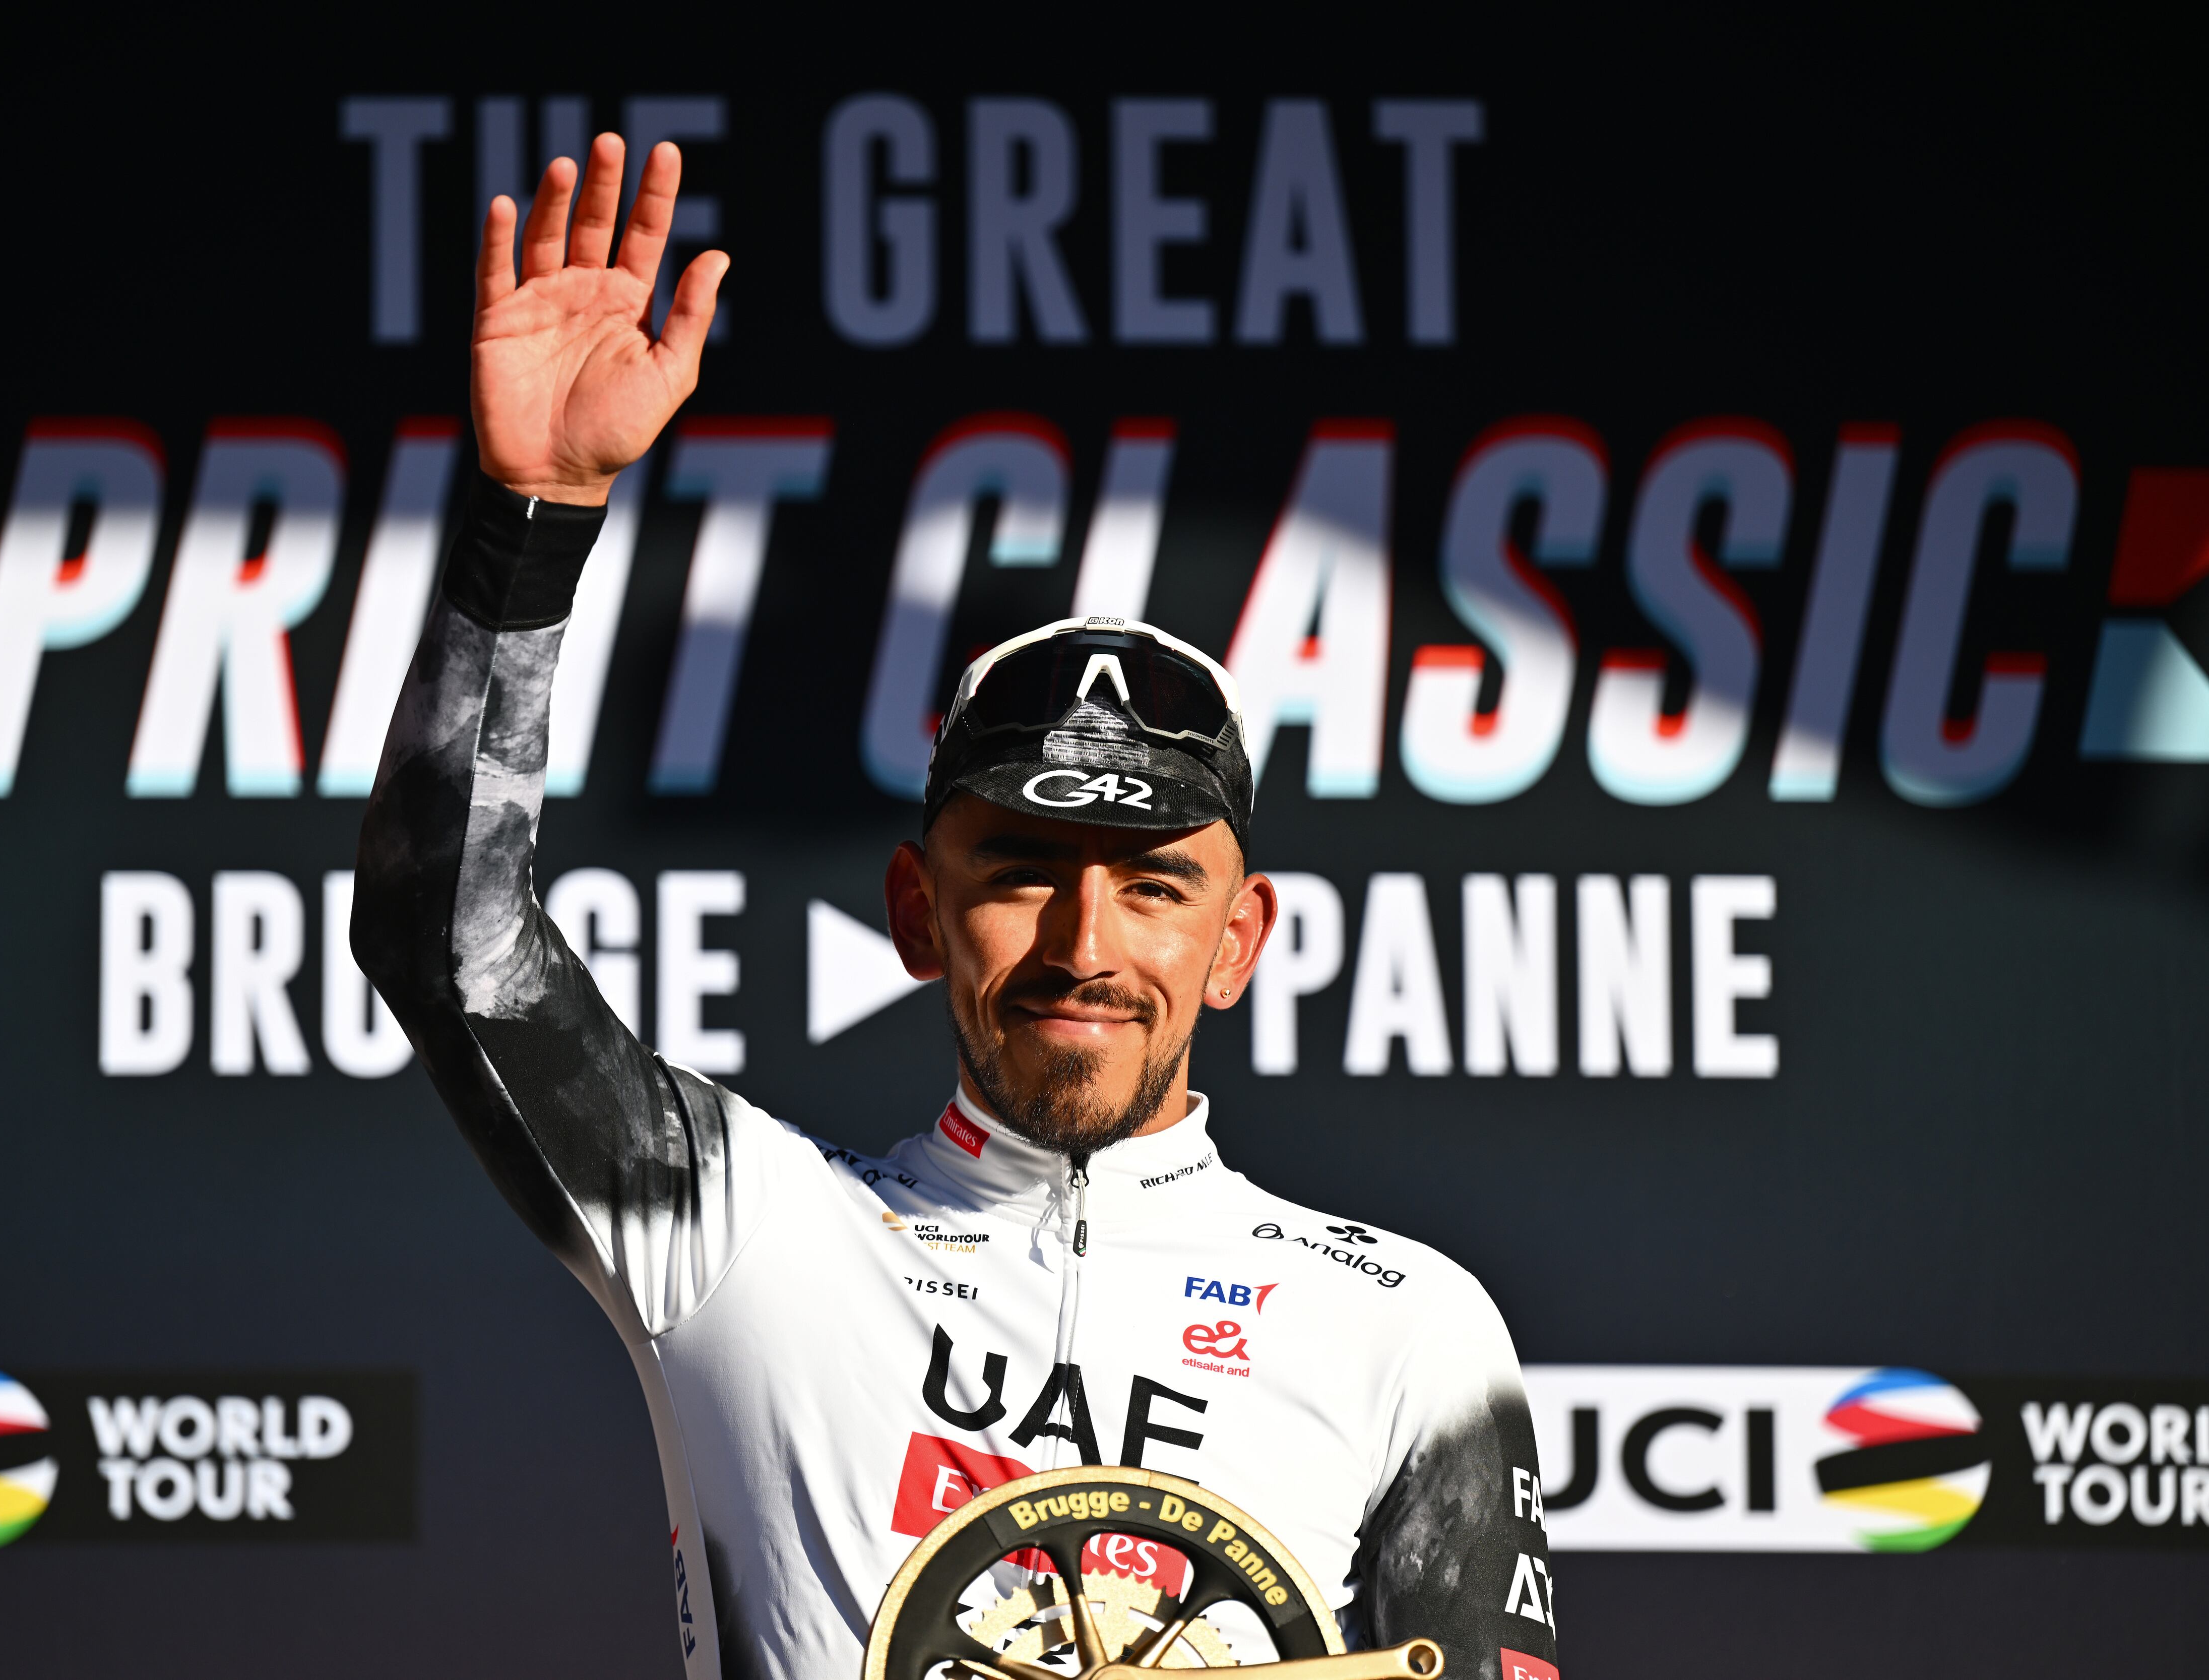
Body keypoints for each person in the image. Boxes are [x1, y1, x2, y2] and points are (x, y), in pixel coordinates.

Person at [354, 134, 1559, 1680]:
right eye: (1022, 876)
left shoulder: (1412, 1329)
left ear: (1239, 939)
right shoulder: (744, 1234)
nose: (1083, 946)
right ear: (920, 912)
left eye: (1152, 888)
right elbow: (444, 941)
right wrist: (536, 513)